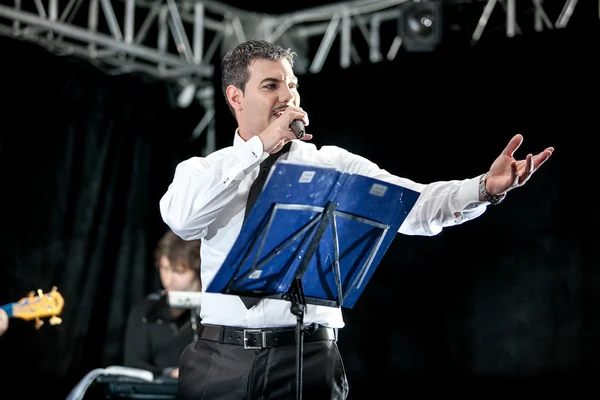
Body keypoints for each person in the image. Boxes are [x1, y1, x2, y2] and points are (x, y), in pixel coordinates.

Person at [158, 39, 554, 399]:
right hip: (221, 361)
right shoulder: (202, 170)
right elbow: (183, 219)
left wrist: (484, 188)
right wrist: (259, 147)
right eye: (271, 86)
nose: (288, 96)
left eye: (292, 84)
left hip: (308, 357)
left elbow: (414, 205)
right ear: (235, 97)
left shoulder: (331, 164)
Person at [123, 229, 202, 379]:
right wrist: (170, 374)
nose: (169, 279)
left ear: (197, 270)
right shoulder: (145, 310)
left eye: (178, 271)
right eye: (164, 268)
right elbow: (133, 364)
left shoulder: (213, 312)